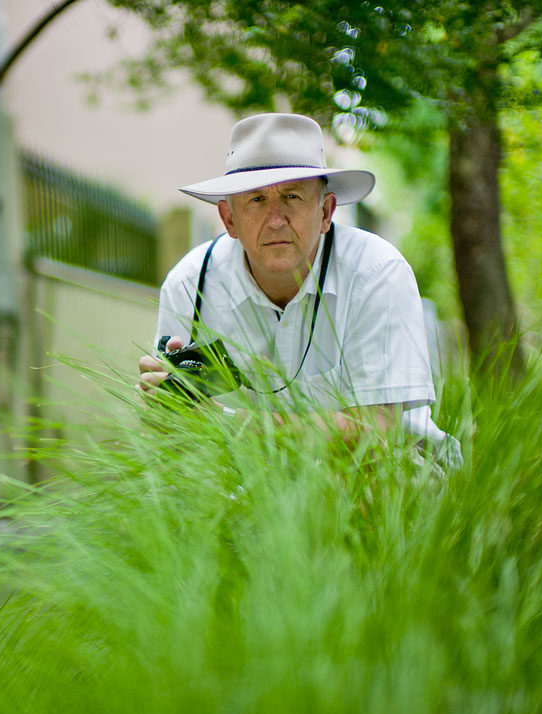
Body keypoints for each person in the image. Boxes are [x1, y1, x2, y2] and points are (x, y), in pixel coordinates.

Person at [138, 113, 461, 461]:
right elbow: (175, 440)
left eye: (292, 196)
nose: (276, 220)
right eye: (257, 200)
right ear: (229, 219)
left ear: (325, 212)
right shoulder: (190, 284)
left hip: (389, 484)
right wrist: (163, 404)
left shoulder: (377, 272)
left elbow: (375, 433)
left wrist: (223, 423)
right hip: (246, 485)